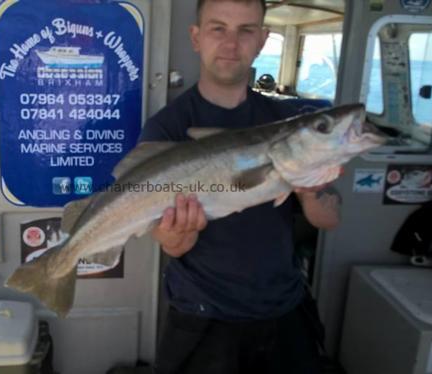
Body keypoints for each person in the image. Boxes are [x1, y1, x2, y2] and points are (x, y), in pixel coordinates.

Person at [138, 0, 341, 373]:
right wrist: (177, 236)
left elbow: (326, 218)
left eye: (246, 30)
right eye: (218, 28)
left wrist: (312, 191)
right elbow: (170, 243)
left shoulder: (289, 122)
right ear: (196, 37)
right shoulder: (167, 129)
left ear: (263, 40)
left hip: (284, 304)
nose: (231, 44)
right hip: (204, 314)